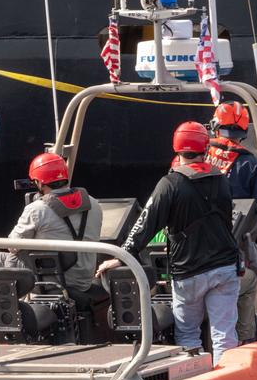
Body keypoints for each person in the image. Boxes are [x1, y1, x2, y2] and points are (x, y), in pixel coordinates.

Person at [98, 121, 240, 363]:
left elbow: (145, 224)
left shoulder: (170, 184)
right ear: (205, 147)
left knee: (188, 335)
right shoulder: (221, 179)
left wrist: (122, 256)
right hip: (225, 267)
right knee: (224, 336)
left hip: (189, 271)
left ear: (177, 149)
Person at [0, 152, 103, 333]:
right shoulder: (94, 204)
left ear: (40, 183)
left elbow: (13, 245)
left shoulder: (37, 209)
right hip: (83, 280)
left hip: (52, 279)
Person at [207, 102, 257, 344]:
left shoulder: (195, 158)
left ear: (214, 126)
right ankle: (245, 341)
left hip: (185, 267)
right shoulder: (251, 163)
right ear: (244, 131)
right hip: (227, 262)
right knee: (250, 279)